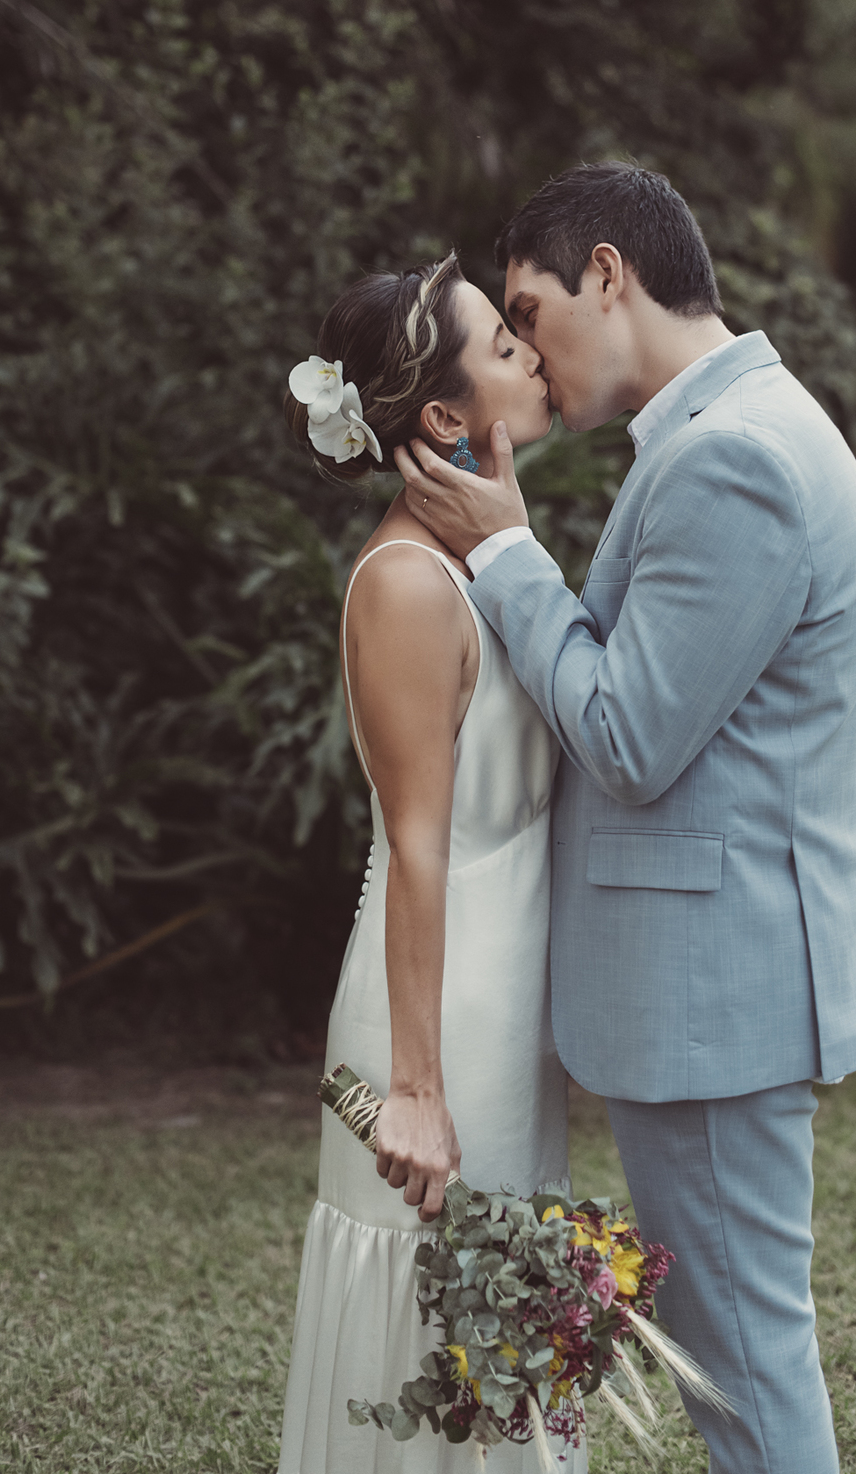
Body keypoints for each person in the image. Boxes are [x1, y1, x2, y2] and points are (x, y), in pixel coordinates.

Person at [395, 163, 856, 1474]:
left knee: (744, 1367)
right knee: (733, 1355)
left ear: (608, 273)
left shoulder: (737, 460)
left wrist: (504, 551)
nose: (532, 352)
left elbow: (626, 735)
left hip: (718, 994)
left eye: (529, 305)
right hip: (718, 983)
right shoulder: (724, 432)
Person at [277, 254, 587, 1474]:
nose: (530, 354)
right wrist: (413, 1086)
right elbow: (416, 842)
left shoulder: (487, 554)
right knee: (431, 1342)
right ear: (446, 417)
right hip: (436, 1017)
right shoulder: (406, 584)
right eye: (504, 348)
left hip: (508, 1011)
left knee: (501, 1346)